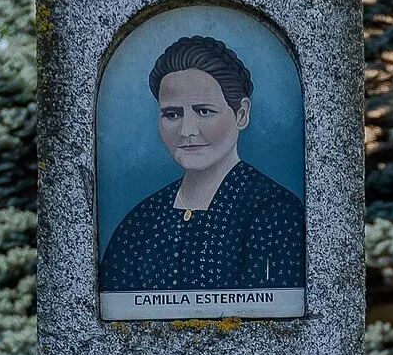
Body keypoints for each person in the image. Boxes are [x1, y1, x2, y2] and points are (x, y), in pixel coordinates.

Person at [100, 34, 305, 295]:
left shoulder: (274, 214)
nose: (187, 130)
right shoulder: (141, 223)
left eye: (204, 111)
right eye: (172, 114)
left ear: (241, 114)